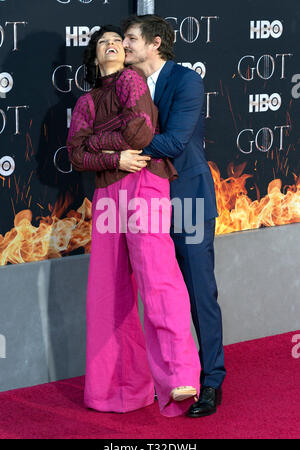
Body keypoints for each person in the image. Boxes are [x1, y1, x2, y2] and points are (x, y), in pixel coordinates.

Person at [67, 24, 201, 417]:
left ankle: (180, 373)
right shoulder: (86, 102)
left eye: (117, 41)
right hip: (109, 191)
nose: (111, 45)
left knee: (157, 277)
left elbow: (140, 131)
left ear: (126, 53)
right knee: (107, 295)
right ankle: (116, 392)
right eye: (102, 43)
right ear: (93, 57)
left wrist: (97, 140)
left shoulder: (130, 80)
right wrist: (112, 155)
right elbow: (76, 155)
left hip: (145, 180)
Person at [122, 14, 226, 417]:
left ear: (156, 42)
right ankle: (165, 379)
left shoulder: (185, 80)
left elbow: (177, 140)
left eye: (131, 38)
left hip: (187, 197)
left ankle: (212, 382)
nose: (124, 45)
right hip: (142, 202)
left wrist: (122, 149)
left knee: (200, 292)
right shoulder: (123, 85)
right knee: (155, 294)